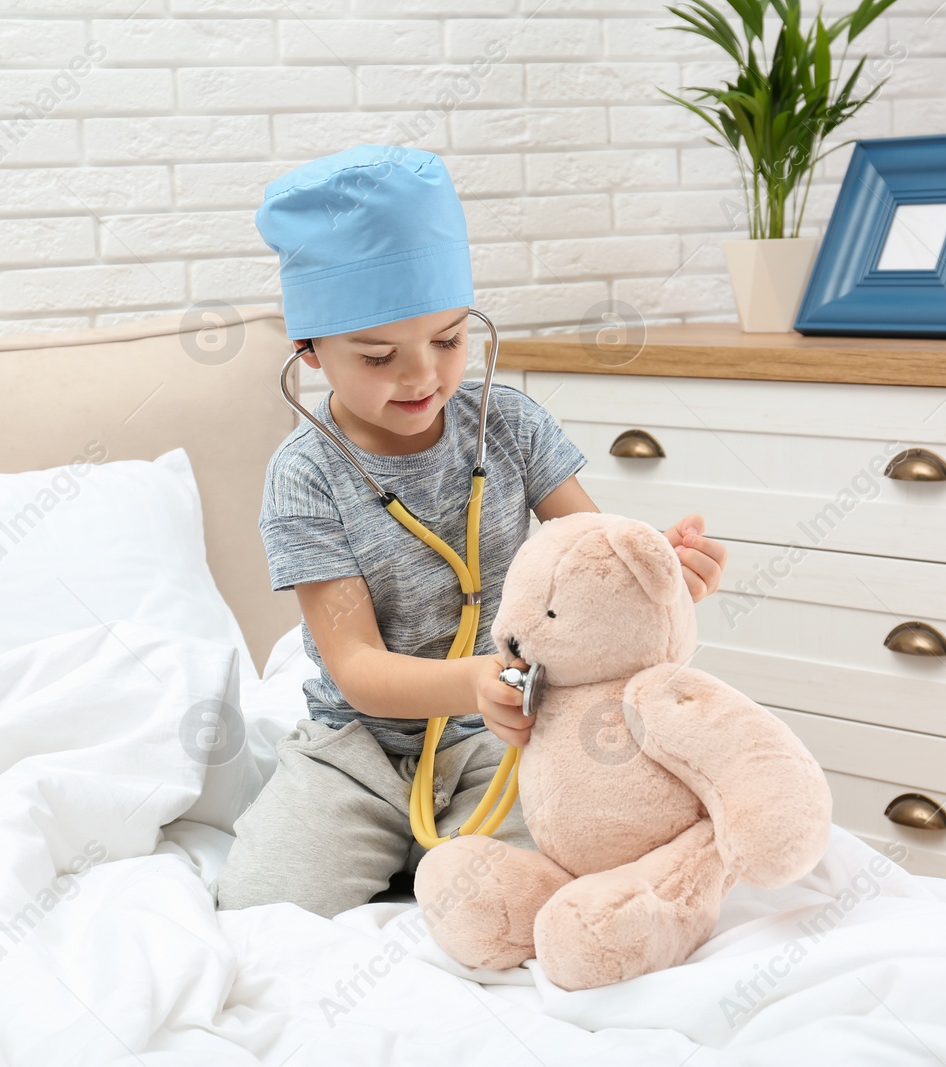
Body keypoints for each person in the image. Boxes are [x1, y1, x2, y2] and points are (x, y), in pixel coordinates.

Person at [212, 144, 728, 918]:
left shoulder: (510, 426)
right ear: (309, 349)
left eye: (449, 341)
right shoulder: (306, 473)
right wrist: (474, 684)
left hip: (505, 743)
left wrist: (663, 570)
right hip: (358, 754)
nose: (422, 377)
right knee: (259, 912)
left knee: (550, 893)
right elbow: (354, 663)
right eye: (380, 355)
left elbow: (596, 557)